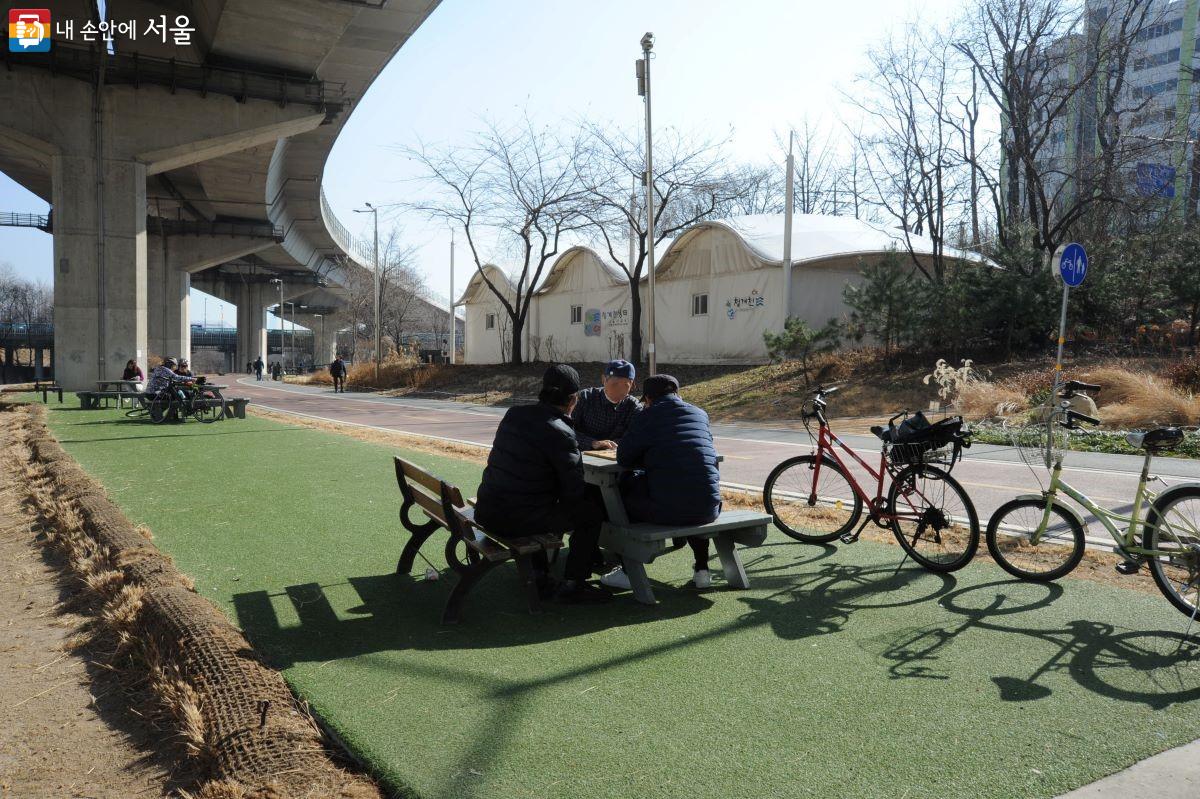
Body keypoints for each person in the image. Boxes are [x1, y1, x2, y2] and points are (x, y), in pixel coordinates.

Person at [474, 364, 611, 604]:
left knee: (537, 503)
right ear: (573, 400)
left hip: (488, 509)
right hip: (516, 519)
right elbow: (574, 490)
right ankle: (574, 583)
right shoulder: (561, 432)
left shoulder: (514, 414)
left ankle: (541, 572)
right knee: (590, 514)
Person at [602, 374, 722, 590]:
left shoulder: (647, 416)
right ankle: (702, 570)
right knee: (691, 491)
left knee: (618, 496)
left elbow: (624, 458)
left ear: (648, 399)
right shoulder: (699, 413)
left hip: (668, 510)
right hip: (710, 507)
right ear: (677, 393)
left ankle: (628, 571)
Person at [570, 359, 640, 451]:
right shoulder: (584, 398)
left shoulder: (633, 406)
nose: (619, 390)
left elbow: (636, 435)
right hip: (582, 454)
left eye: (626, 386)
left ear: (632, 385)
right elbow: (566, 430)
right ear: (604, 380)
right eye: (615, 384)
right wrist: (592, 443)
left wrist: (615, 445)